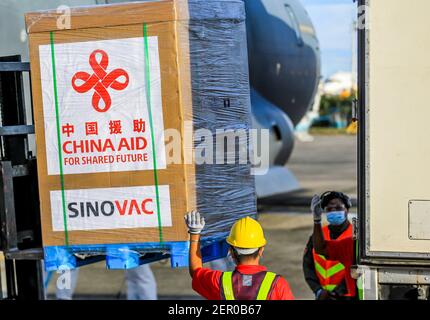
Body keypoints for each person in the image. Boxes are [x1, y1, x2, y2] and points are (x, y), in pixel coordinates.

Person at [184, 210, 295, 300]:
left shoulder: (220, 282)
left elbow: (195, 272)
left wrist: (195, 233)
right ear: (261, 250)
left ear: (231, 252)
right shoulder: (277, 284)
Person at [310, 192, 357, 299]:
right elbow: (310, 262)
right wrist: (318, 290)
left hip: (346, 295)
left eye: (338, 207)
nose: (334, 211)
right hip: (325, 295)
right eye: (329, 209)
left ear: (347, 210)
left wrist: (337, 292)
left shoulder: (353, 239)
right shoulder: (319, 234)